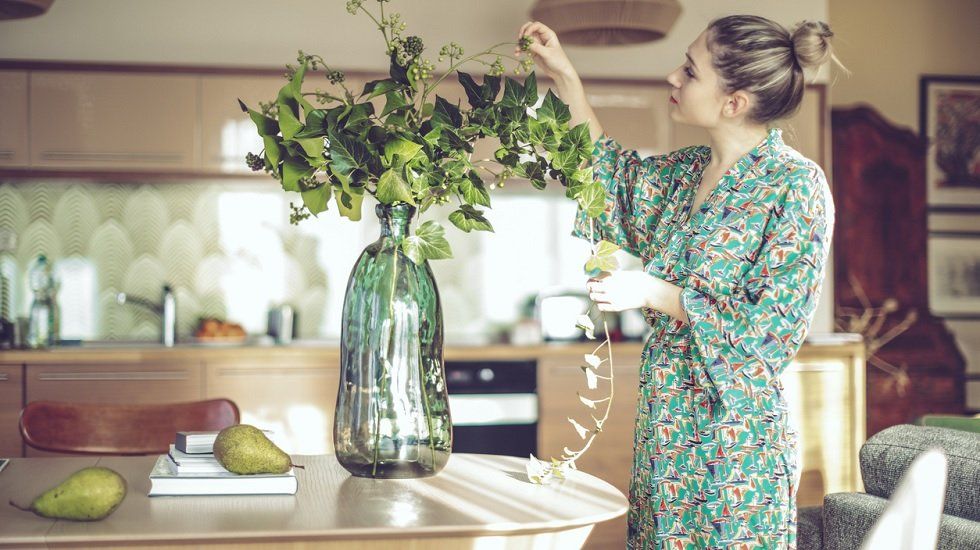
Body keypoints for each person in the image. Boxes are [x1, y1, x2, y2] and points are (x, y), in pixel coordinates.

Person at [517, 15, 843, 549]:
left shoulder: (797, 187)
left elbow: (770, 336)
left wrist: (653, 292)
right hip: (663, 430)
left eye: (690, 71)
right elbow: (609, 176)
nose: (672, 77)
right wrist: (564, 76)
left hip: (734, 450)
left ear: (732, 101)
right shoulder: (684, 173)